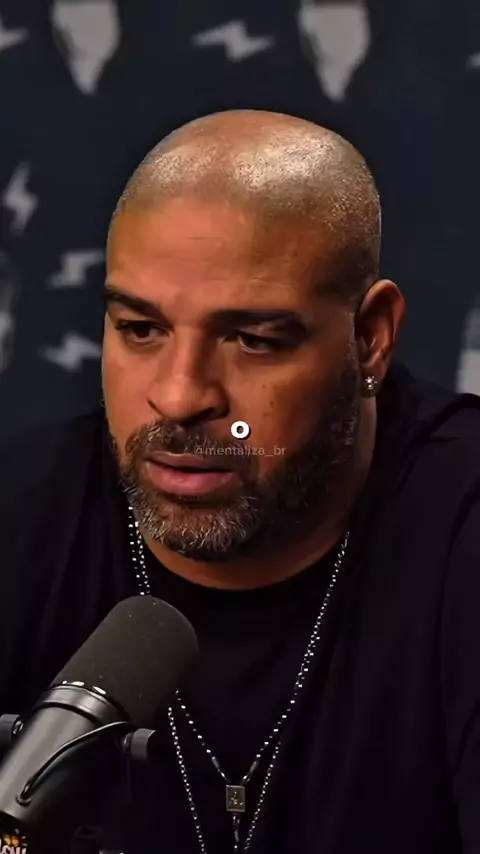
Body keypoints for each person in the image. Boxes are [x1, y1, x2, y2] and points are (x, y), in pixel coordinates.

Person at [1, 110, 480, 854]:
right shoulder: (20, 514)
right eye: (141, 330)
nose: (180, 396)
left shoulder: (460, 516)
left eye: (253, 341)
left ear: (370, 338)